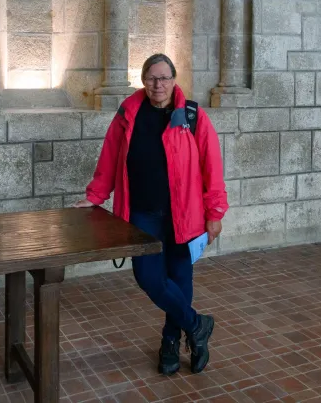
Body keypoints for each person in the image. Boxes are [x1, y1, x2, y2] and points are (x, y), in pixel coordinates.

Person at [74, 53, 228, 375]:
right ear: (143, 80)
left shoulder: (192, 116)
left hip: (183, 216)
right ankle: (198, 325)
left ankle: (170, 341)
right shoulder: (129, 113)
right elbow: (109, 158)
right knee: (148, 277)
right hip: (143, 213)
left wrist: (215, 213)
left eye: (164, 78)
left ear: (174, 80)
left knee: (179, 280)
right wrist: (95, 196)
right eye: (151, 78)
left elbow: (212, 169)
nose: (158, 84)